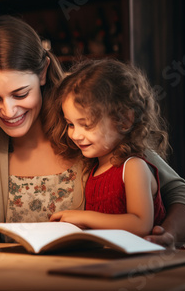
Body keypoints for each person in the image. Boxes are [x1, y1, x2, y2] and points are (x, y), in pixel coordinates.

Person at [0, 15, 185, 249]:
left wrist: (168, 236)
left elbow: (181, 195)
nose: (8, 110)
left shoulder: (85, 114)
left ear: (43, 72)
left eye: (21, 94)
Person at [49, 59, 167, 237]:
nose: (75, 135)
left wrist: (83, 217)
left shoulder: (133, 167)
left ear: (124, 121)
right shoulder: (94, 168)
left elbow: (141, 224)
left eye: (86, 125)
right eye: (70, 124)